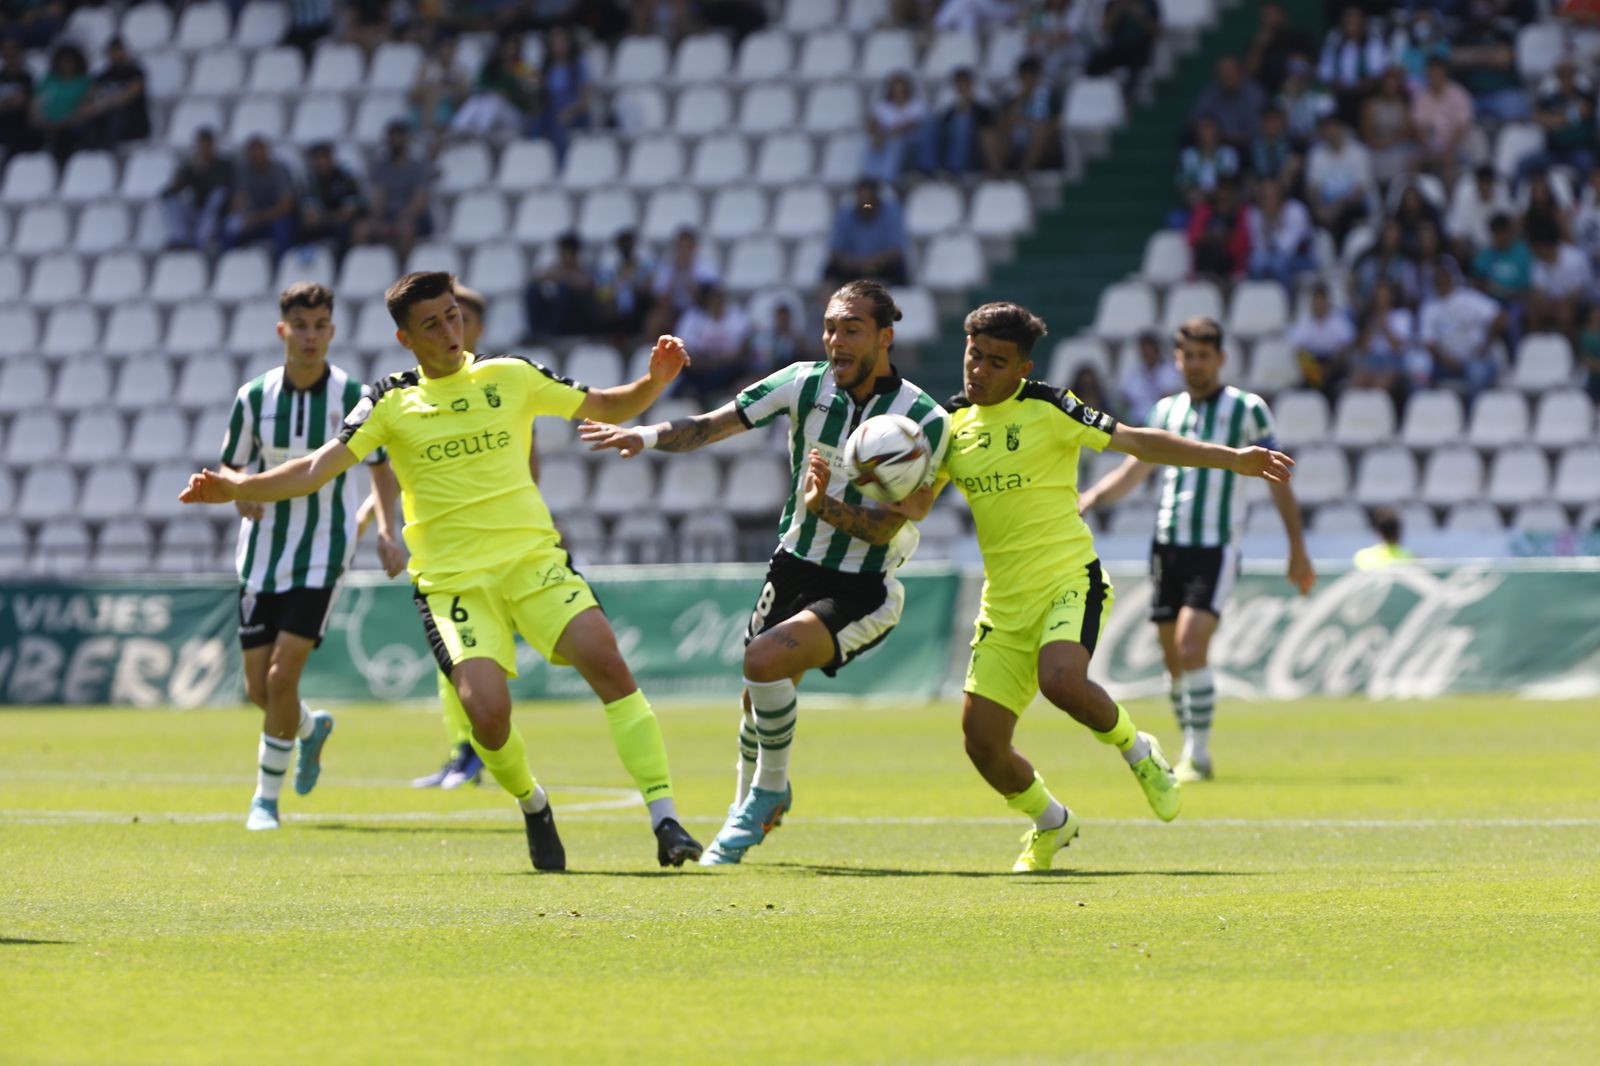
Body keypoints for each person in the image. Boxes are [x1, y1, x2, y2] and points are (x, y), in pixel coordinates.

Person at [183, 271, 705, 870]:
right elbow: (316, 468)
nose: (449, 330)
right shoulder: (387, 401)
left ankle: (666, 819)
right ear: (406, 338)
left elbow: (608, 404)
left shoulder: (509, 375)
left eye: (453, 315)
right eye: (431, 323)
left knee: (609, 665)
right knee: (487, 715)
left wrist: (654, 381)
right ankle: (533, 804)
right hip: (453, 585)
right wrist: (239, 486)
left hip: (533, 563)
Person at [889, 304, 1293, 870]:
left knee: (1061, 681)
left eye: (995, 361)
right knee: (981, 743)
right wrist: (863, 484)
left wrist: (1233, 460)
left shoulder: (1051, 407)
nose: (977, 370)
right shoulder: (949, 426)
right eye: (973, 355)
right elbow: (917, 506)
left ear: (1022, 370)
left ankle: (1138, 748)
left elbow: (1141, 444)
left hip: (1068, 580)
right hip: (1003, 605)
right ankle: (1051, 822)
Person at [581, 280, 950, 866]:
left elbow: (884, 527)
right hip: (792, 561)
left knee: (762, 663)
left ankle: (770, 792)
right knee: (758, 700)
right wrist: (645, 435)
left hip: (861, 584)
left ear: (885, 337)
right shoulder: (803, 382)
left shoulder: (925, 421)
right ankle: (744, 807)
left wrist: (825, 504)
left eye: (851, 328)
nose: (835, 340)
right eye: (829, 327)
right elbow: (709, 425)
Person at [1079, 316, 1313, 784]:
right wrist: (1092, 498)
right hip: (1167, 545)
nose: (1197, 364)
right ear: (1177, 359)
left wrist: (1297, 548)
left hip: (1216, 545)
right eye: (1189, 355)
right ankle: (1189, 743)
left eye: (1206, 355)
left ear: (1221, 359)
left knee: (1190, 646)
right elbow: (1135, 470)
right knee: (1172, 658)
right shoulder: (1166, 412)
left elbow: (1278, 478)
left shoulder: (1248, 409)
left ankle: (1197, 755)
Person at [213, 283, 400, 831]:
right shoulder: (253, 397)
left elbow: (381, 470)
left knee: (280, 676)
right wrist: (239, 487)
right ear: (282, 331)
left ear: (332, 331)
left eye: (320, 324)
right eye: (301, 325)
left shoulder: (352, 395)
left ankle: (264, 800)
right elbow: (229, 467)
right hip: (262, 553)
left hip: (323, 552)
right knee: (258, 688)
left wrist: (388, 531)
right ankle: (311, 727)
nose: (311, 335)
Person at [354, 121, 434, 259]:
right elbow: (377, 196)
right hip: (388, 215)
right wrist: (378, 219)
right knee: (362, 229)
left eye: (399, 137)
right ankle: (363, 267)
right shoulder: (381, 166)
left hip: (413, 216)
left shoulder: (417, 166)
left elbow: (419, 200)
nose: (395, 141)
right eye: (392, 137)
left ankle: (403, 271)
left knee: (404, 229)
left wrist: (402, 217)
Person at [674, 283, 753, 406]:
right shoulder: (697, 319)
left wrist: (716, 362)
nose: (716, 302)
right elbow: (688, 350)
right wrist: (706, 363)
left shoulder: (737, 318)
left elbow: (741, 352)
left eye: (719, 298)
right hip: (703, 367)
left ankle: (703, 396)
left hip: (728, 367)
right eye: (713, 299)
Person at [225, 136, 298, 262]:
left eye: (260, 152)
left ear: (267, 152)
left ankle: (281, 266)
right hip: (255, 220)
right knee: (230, 227)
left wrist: (258, 217)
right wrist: (244, 215)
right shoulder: (244, 170)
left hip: (276, 218)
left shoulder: (280, 170)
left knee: (282, 227)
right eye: (253, 153)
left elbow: (286, 206)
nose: (257, 156)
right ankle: (231, 265)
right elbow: (238, 200)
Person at [824, 180, 909, 287]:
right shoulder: (845, 214)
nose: (866, 205)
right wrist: (855, 264)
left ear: (876, 199)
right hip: (852, 266)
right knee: (831, 270)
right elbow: (835, 250)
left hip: (881, 266)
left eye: (868, 202)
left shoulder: (891, 213)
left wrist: (871, 263)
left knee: (897, 268)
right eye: (862, 201)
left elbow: (896, 250)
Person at [162, 128, 234, 254]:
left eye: (207, 145)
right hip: (196, 212)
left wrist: (203, 172)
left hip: (217, 216)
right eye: (201, 145)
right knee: (171, 201)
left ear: (213, 145)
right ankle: (180, 238)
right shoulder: (192, 166)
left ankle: (201, 239)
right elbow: (169, 192)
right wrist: (186, 173)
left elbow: (221, 189)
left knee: (217, 195)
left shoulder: (225, 165)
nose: (204, 149)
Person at [992, 55, 1063, 177]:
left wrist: (1032, 125)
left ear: (1037, 78)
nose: (1027, 81)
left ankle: (1023, 173)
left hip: (1041, 141)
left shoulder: (1049, 96)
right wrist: (1018, 102)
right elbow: (1001, 125)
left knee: (1040, 133)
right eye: (1024, 77)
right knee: (992, 134)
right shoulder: (1012, 98)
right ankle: (998, 174)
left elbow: (1056, 123)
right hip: (1017, 140)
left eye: (1031, 77)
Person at [524, 231, 601, 340]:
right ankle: (537, 332)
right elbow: (536, 277)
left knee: (564, 290)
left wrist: (565, 276)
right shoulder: (557, 268)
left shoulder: (586, 269)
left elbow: (587, 285)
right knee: (533, 291)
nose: (561, 256)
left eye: (564, 253)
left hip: (577, 320)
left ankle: (552, 332)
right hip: (560, 315)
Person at [1411, 56, 1475, 188]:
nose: (1434, 77)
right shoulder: (1421, 96)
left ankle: (1448, 203)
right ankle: (1417, 200)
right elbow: (1419, 128)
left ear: (1444, 73)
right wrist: (1429, 147)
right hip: (1430, 147)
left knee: (1448, 160)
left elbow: (1460, 129)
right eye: (1431, 74)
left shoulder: (1459, 94)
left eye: (1437, 74)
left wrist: (1447, 149)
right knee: (1413, 161)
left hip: (1456, 146)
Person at [299, 142, 364, 262]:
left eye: (325, 157)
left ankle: (342, 266)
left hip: (344, 224)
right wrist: (330, 216)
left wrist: (325, 217)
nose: (322, 162)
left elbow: (350, 211)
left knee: (345, 228)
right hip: (323, 224)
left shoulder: (346, 177)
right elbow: (310, 216)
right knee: (300, 228)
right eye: (317, 159)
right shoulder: (310, 181)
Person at [80, 36, 149, 148]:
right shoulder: (103, 76)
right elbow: (88, 97)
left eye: (119, 50)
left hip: (132, 122)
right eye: (113, 51)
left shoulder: (135, 72)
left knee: (118, 114)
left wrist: (103, 105)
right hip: (106, 119)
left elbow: (128, 95)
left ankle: (105, 145)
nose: (116, 55)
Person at [862, 71, 928, 186]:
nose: (898, 91)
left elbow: (917, 125)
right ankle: (870, 179)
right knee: (871, 143)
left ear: (907, 89)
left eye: (901, 88)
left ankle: (887, 180)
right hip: (886, 142)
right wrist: (876, 136)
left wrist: (896, 131)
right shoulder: (883, 107)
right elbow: (871, 124)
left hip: (912, 149)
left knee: (896, 141)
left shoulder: (917, 105)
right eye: (895, 88)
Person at [1191, 56, 1266, 149]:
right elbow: (1198, 118)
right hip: (1219, 142)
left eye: (1231, 75)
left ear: (1240, 73)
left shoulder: (1254, 94)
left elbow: (1259, 126)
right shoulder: (1210, 93)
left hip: (1248, 143)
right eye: (1224, 75)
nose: (1228, 79)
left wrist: (1238, 137)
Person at [1118, 330, 1183, 423]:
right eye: (1142, 347)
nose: (1145, 351)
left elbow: (1169, 397)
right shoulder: (1135, 370)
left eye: (1148, 347)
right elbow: (1124, 397)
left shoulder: (1170, 370)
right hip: (1136, 422)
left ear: (1157, 348)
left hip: (1162, 422)